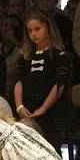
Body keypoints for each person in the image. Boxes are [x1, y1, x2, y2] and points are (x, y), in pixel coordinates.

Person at [13, 11, 71, 149]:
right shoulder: (26, 54)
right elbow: (18, 81)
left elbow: (60, 83)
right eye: (30, 30)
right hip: (27, 107)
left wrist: (44, 107)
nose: (33, 34)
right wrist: (19, 105)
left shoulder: (58, 53)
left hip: (52, 109)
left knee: (50, 145)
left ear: (48, 27)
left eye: (37, 29)